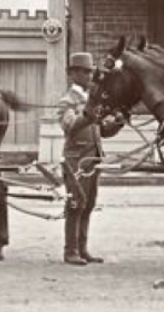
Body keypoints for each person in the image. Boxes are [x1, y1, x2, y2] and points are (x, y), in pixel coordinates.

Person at [57, 51, 124, 266]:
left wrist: (118, 123)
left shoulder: (89, 100)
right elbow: (70, 126)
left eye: (90, 72)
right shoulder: (67, 101)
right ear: (73, 74)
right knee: (76, 203)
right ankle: (70, 251)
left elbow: (101, 131)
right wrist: (87, 115)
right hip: (76, 158)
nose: (89, 76)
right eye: (85, 72)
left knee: (89, 204)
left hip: (92, 158)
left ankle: (82, 249)